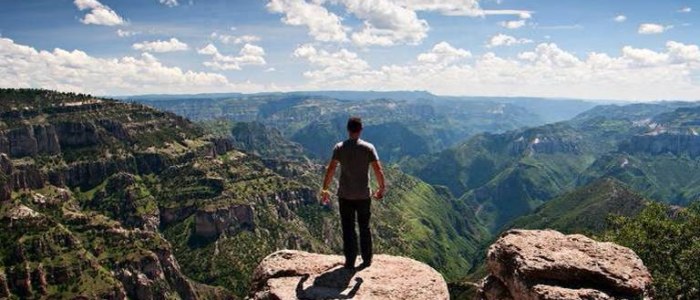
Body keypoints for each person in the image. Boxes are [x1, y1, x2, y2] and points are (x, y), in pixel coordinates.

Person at [321, 116, 385, 269]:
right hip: (363, 196)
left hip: (345, 196)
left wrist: (325, 189)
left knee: (348, 228)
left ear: (348, 130)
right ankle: (367, 259)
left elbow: (331, 169)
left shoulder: (339, 148)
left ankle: (350, 261)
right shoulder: (368, 148)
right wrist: (381, 188)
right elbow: (378, 169)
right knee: (365, 227)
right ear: (361, 129)